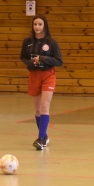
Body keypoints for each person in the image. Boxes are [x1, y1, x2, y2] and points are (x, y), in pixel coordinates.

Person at [20, 14, 63, 150]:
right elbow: (23, 58)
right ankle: (44, 136)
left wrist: (43, 59)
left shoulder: (51, 42)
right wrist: (32, 61)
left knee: (45, 106)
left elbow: (59, 61)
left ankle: (41, 138)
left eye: (40, 24)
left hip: (48, 75)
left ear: (44, 26)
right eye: (35, 24)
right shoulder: (27, 42)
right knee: (37, 109)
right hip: (34, 75)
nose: (37, 27)